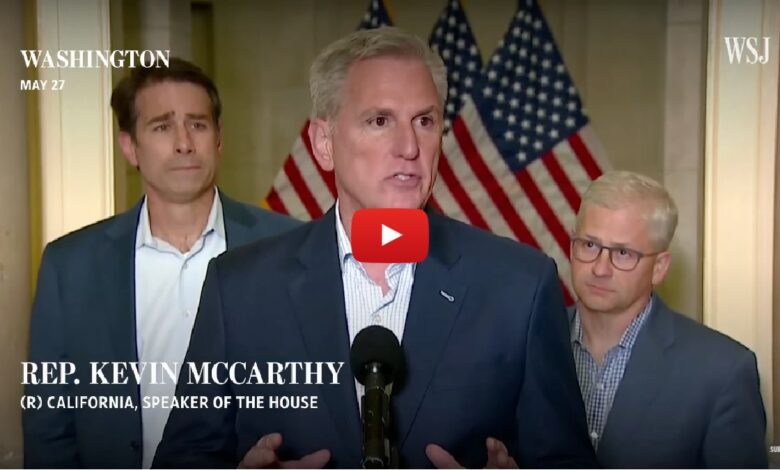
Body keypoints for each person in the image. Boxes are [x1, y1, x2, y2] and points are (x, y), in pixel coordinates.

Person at [153, 27, 595, 469]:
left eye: (424, 121)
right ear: (324, 144)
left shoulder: (520, 287)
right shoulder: (239, 288)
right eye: (380, 121)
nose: (409, 148)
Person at [23, 58, 300, 468]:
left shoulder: (289, 246)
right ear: (129, 147)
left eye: (198, 124)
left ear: (219, 138)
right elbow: (49, 424)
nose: (184, 143)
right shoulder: (70, 267)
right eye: (162, 127)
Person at [568, 170, 767, 468]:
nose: (600, 268)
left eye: (623, 253)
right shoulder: (527, 343)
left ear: (659, 267)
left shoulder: (723, 371)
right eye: (589, 245)